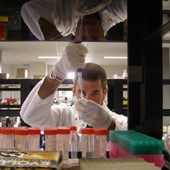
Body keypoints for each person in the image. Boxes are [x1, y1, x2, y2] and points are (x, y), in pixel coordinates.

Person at [20, 43, 127, 141]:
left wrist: (108, 125)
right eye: (82, 92)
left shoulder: (121, 122)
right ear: (73, 91)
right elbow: (30, 116)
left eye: (95, 93)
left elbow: (136, 152)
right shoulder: (63, 116)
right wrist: (59, 71)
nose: (88, 100)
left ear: (105, 92)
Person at [21, 0, 127, 41]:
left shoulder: (64, 24)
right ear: (104, 38)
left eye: (83, 36)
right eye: (95, 37)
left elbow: (28, 7)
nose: (88, 29)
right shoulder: (115, 13)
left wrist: (54, 38)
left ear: (74, 38)